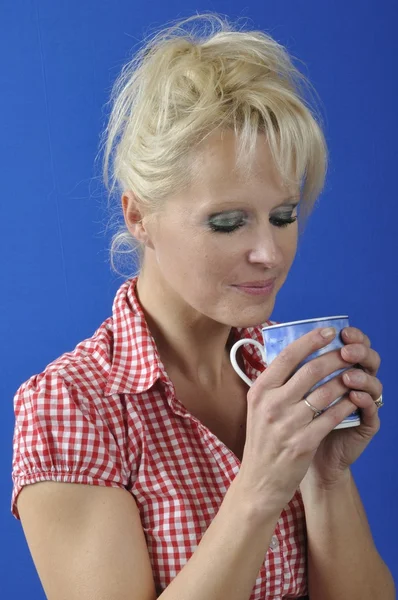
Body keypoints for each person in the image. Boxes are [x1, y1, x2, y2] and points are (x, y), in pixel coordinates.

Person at [11, 12, 394, 600]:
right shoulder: (73, 406)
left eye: (284, 215)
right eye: (227, 222)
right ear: (139, 217)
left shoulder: (281, 370)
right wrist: (263, 483)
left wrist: (325, 473)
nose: (268, 252)